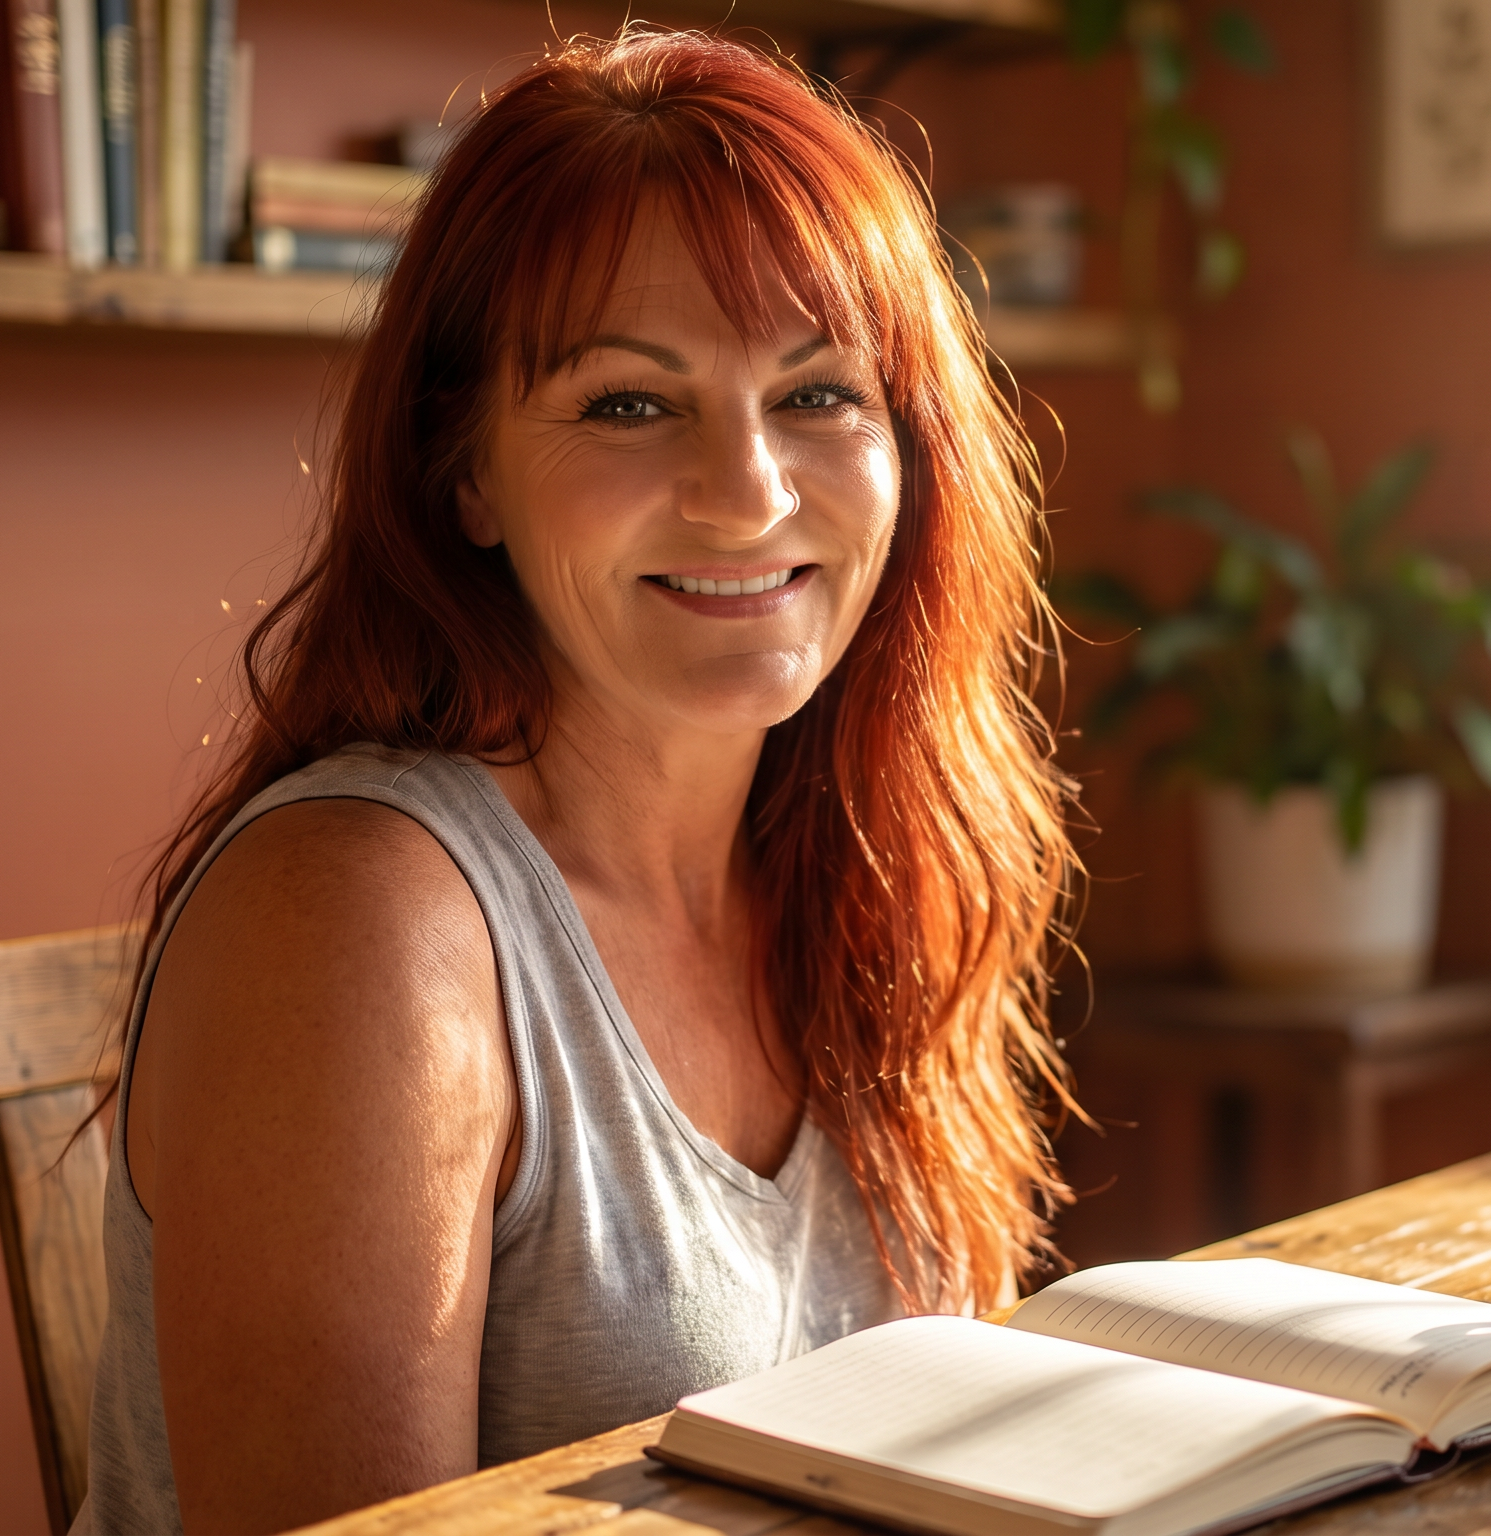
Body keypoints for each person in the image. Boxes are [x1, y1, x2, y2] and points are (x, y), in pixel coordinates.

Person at [73, 30, 1079, 1535]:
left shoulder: (866, 857)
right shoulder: (361, 919)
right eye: (626, 403)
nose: (748, 490)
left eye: (818, 395)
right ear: (464, 473)